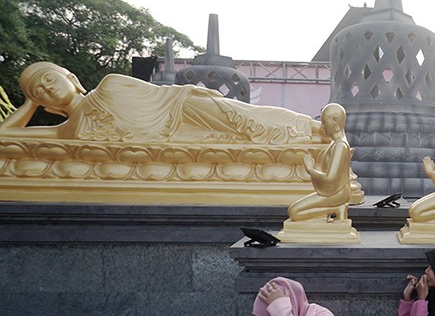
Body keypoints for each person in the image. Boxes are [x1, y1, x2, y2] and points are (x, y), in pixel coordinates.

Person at [0, 61, 321, 144]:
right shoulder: (67, 132)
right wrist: (29, 104)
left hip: (183, 109)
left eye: (49, 79)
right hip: (175, 142)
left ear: (71, 77)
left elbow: (164, 97)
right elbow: (5, 137)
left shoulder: (111, 84)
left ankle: (311, 128)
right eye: (39, 90)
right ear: (43, 104)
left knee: (248, 117)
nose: (46, 88)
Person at [287, 103, 352, 222]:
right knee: (293, 210)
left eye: (324, 122)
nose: (322, 126)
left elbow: (330, 178)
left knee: (294, 213)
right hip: (331, 191)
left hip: (337, 193)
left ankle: (337, 209)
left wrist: (311, 170)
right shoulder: (335, 143)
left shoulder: (340, 146)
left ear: (335, 122)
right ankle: (334, 209)